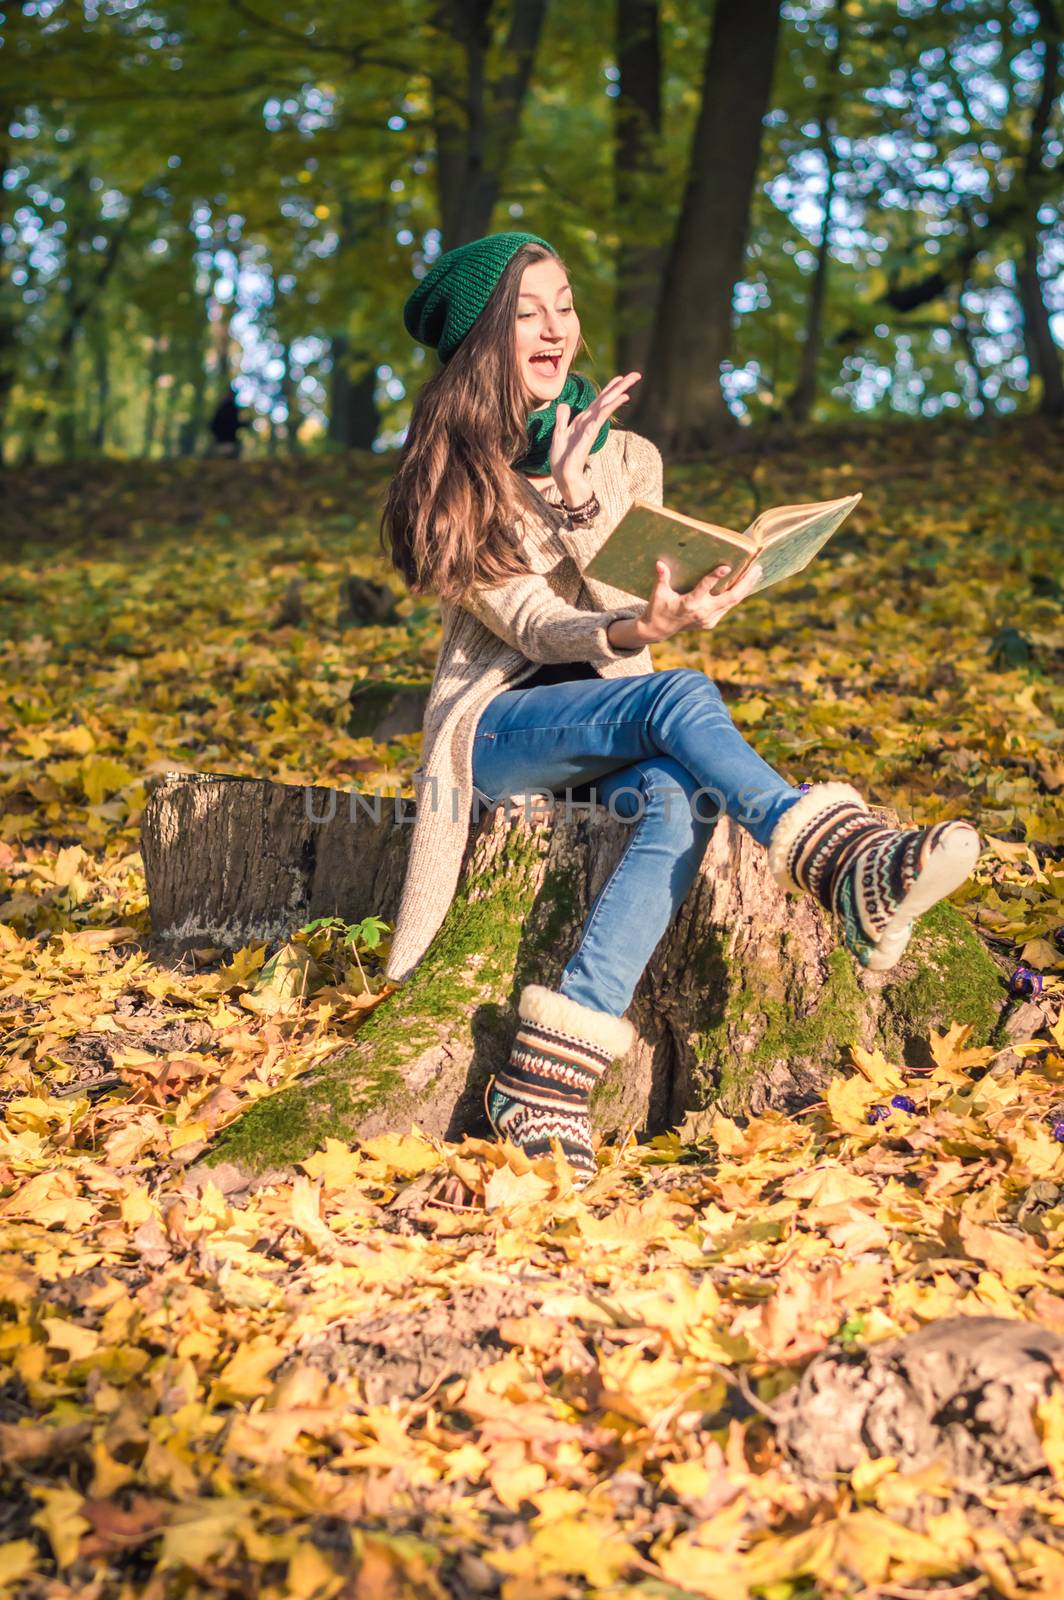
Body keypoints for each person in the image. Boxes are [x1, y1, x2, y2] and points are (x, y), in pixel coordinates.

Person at [379, 231, 982, 1188]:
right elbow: (534, 625)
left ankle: (543, 1083)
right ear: (482, 341)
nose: (555, 330)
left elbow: (626, 599)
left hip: (618, 716)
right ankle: (839, 860)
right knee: (683, 696)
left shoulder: (631, 456)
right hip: (499, 731)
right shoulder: (452, 472)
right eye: (527, 312)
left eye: (565, 305)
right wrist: (572, 523)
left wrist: (661, 597)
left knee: (677, 794)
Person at [207, 384, 247, 457]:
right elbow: (214, 424)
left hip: (228, 443)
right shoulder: (222, 409)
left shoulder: (232, 409)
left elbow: (234, 424)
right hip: (221, 443)